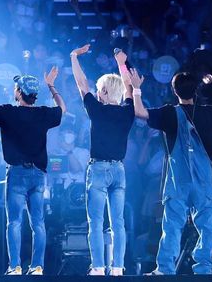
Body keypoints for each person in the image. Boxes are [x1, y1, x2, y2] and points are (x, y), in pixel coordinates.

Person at [130, 69, 212, 275]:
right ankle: (203, 269)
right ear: (196, 91)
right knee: (206, 225)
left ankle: (165, 269)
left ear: (174, 91)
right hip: (204, 180)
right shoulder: (209, 113)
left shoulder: (168, 113)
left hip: (178, 179)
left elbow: (140, 112)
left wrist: (136, 89)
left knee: (172, 225)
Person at [0, 66, 65, 275]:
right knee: (38, 223)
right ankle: (37, 266)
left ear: (19, 93)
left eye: (16, 87)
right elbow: (62, 109)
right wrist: (51, 85)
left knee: (14, 222)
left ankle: (15, 267)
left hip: (17, 174)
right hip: (39, 175)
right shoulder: (44, 114)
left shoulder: (9, 112)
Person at [70, 46, 135, 276]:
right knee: (118, 223)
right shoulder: (128, 111)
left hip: (98, 169)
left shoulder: (96, 109)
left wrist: (74, 57)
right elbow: (129, 87)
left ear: (105, 92)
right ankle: (117, 268)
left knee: (96, 222)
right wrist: (121, 63)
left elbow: (81, 83)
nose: (97, 93)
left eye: (100, 90)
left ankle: (98, 267)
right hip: (119, 170)